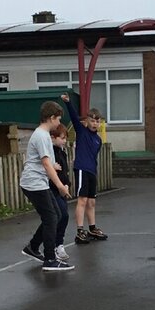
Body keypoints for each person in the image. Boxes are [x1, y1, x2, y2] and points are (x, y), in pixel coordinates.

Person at [18, 101, 74, 272]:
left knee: (55, 214)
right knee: (51, 217)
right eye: (58, 119)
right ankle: (50, 259)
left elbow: (47, 163)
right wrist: (60, 186)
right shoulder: (42, 136)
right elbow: (46, 163)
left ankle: (32, 247)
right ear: (51, 118)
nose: (58, 123)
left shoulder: (41, 135)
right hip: (33, 183)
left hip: (38, 182)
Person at [61, 93, 108, 243]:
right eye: (92, 120)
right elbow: (74, 117)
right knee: (82, 200)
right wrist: (68, 103)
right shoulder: (81, 132)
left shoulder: (98, 140)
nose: (94, 123)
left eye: (97, 121)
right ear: (87, 121)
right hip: (81, 169)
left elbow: (93, 156)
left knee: (92, 201)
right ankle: (80, 230)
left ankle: (92, 228)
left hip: (91, 170)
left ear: (100, 123)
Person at [49, 123, 72, 262]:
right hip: (52, 189)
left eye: (65, 138)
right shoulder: (49, 153)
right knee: (59, 214)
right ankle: (54, 245)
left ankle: (59, 244)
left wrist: (67, 185)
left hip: (62, 189)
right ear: (53, 138)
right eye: (62, 138)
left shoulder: (62, 153)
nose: (64, 141)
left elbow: (64, 172)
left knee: (64, 216)